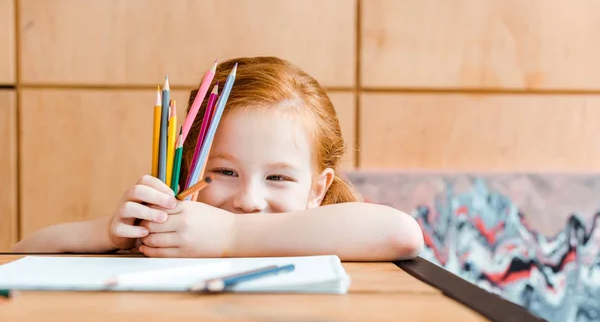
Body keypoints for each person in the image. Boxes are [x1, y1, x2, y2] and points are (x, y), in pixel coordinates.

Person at [13, 56, 424, 261]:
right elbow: (22, 252)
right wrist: (110, 233)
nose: (248, 200)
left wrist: (228, 236)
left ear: (318, 188)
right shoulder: (173, 235)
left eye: (278, 178)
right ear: (188, 168)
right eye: (225, 172)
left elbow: (402, 233)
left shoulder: (330, 229)